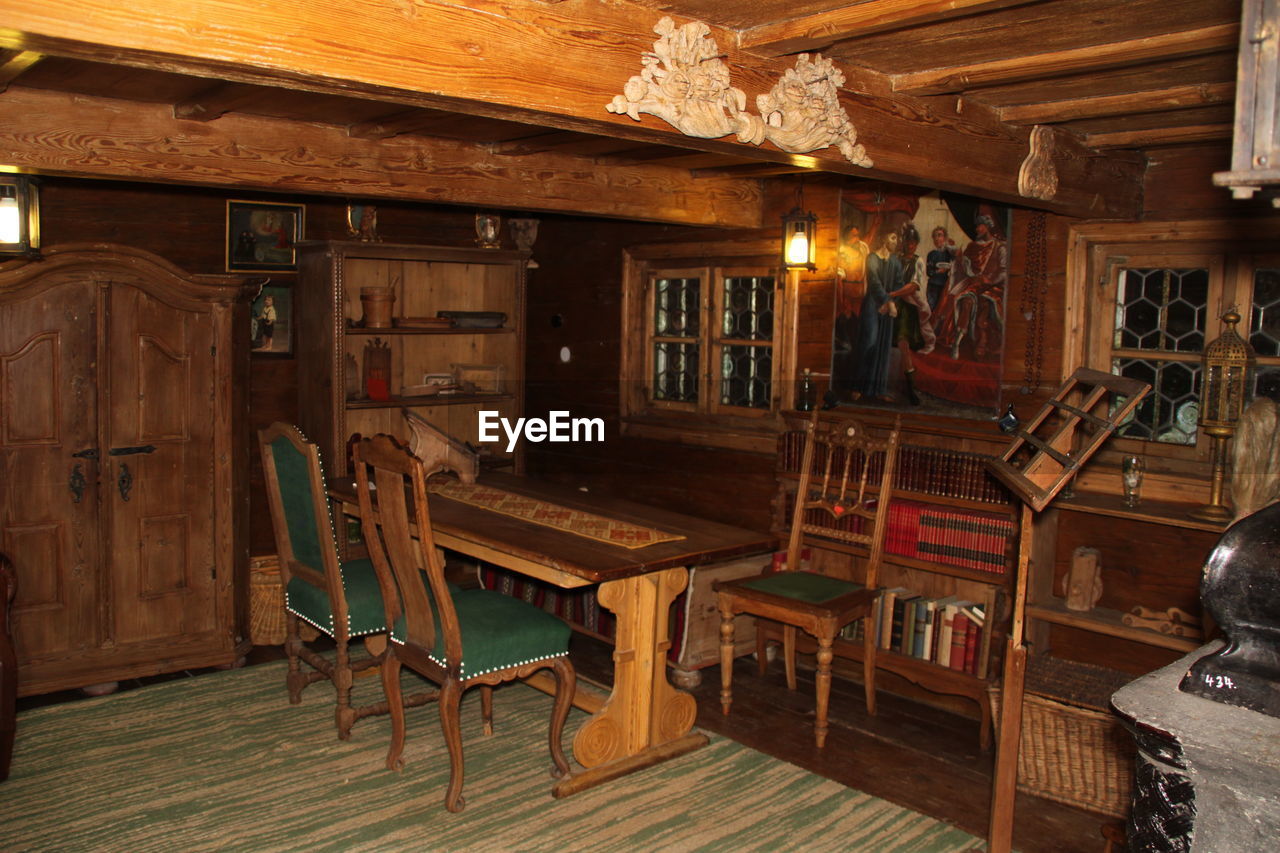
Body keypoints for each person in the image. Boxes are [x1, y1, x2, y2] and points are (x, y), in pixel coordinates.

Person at [934, 214, 1007, 360]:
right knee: (965, 300)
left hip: (993, 287)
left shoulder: (999, 247)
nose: (978, 229)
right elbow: (964, 266)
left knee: (985, 304)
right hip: (974, 284)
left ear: (987, 227)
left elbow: (1004, 271)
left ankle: (982, 344)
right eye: (977, 226)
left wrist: (990, 280)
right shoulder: (972, 246)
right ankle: (957, 341)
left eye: (980, 226)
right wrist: (956, 261)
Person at [849, 230, 905, 402]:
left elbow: (899, 284)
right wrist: (887, 302)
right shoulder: (872, 258)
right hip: (873, 305)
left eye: (897, 238)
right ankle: (858, 387)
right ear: (883, 238)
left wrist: (891, 301)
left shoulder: (895, 261)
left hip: (887, 307)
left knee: (883, 346)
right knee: (869, 343)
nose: (896, 241)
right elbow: (874, 282)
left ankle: (879, 389)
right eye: (893, 237)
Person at [892, 224, 936, 405]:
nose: (910, 245)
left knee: (903, 345)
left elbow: (914, 285)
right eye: (907, 242)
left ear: (917, 244)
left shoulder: (918, 261)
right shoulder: (896, 259)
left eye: (913, 242)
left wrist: (893, 293)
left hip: (907, 307)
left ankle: (911, 389)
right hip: (893, 306)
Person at [925, 226, 957, 310]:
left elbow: (956, 262)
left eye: (939, 235)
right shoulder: (931, 254)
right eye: (935, 236)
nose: (937, 238)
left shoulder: (948, 252)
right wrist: (939, 271)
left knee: (943, 310)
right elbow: (929, 272)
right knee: (933, 309)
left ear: (945, 238)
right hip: (933, 286)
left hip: (945, 285)